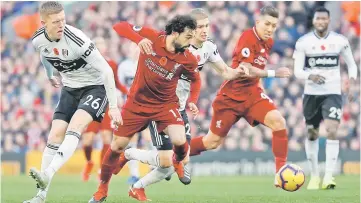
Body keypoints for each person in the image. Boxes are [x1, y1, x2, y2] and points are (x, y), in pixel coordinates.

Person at [114, 8, 248, 201]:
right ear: (189, 29)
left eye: (207, 26)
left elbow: (225, 72)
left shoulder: (208, 48)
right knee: (168, 161)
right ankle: (129, 155)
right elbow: (128, 30)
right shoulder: (172, 43)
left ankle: (137, 185)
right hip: (159, 105)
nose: (204, 30)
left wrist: (240, 72)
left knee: (172, 164)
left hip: (179, 108)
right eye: (200, 26)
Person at [88, 15, 201, 203]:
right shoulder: (153, 37)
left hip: (166, 105)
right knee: (116, 146)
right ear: (175, 32)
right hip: (136, 104)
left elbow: (196, 79)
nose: (190, 42)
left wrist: (193, 100)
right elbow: (119, 25)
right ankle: (102, 189)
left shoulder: (187, 58)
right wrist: (139, 40)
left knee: (181, 141)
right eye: (188, 37)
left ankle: (177, 161)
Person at [24, 2, 121, 203]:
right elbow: (45, 55)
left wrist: (113, 107)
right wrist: (50, 75)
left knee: (75, 126)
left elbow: (107, 71)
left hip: (94, 88)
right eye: (56, 21)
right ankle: (40, 196)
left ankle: (47, 174)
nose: (61, 24)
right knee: (54, 135)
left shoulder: (77, 40)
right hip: (69, 88)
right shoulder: (38, 40)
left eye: (63, 19)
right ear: (43, 23)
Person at [189, 5, 291, 187]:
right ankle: (177, 153)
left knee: (279, 121)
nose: (270, 29)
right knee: (212, 142)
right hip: (230, 98)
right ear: (258, 21)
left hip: (252, 96)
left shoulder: (268, 42)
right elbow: (246, 70)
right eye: (267, 24)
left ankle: (280, 173)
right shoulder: (247, 37)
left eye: (274, 26)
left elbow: (255, 70)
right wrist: (274, 73)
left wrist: (260, 91)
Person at [294, 7, 358, 190]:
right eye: (318, 18)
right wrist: (310, 76)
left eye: (324, 18)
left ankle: (329, 176)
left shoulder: (340, 41)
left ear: (328, 20)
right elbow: (298, 70)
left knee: (331, 129)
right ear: (313, 20)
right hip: (311, 93)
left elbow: (352, 65)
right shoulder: (303, 42)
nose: (321, 21)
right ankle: (314, 175)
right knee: (312, 133)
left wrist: (351, 82)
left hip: (332, 92)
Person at [81, 37, 128, 182]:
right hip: (92, 103)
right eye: (98, 45)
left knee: (106, 137)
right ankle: (89, 162)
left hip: (107, 103)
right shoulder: (87, 63)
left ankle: (102, 169)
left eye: (103, 45)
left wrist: (128, 92)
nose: (101, 48)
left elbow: (116, 83)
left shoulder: (112, 64)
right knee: (87, 140)